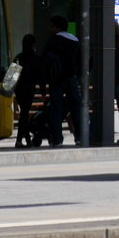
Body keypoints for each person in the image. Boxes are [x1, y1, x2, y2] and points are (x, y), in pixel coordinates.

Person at [42, 15, 82, 147]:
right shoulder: (75, 41)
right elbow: (82, 60)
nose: (50, 29)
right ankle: (79, 136)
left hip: (56, 79)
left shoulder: (52, 41)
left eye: (51, 26)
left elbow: (44, 59)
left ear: (57, 27)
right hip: (72, 78)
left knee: (56, 109)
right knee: (75, 107)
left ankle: (57, 138)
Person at [13, 34, 43, 148]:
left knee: (24, 113)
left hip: (19, 89)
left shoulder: (18, 57)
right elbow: (40, 76)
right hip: (29, 88)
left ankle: (25, 140)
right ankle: (21, 140)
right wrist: (43, 92)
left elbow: (12, 74)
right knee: (24, 114)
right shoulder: (36, 58)